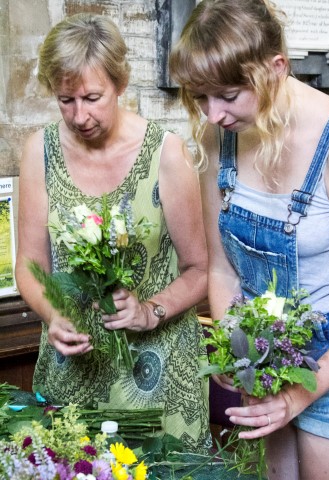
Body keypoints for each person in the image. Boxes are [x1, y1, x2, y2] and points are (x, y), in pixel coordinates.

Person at [15, 13, 211, 453]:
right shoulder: (39, 153)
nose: (79, 116)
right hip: (74, 372)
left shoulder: (167, 153)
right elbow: (29, 266)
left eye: (92, 97)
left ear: (120, 84)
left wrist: (150, 311)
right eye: (65, 101)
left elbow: (200, 269)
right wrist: (53, 316)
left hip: (160, 376)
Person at [169, 0, 329, 478]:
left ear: (275, 69)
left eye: (227, 95)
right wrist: (235, 347)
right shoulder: (216, 136)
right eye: (200, 98)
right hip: (261, 350)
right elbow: (223, 268)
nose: (213, 115)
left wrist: (300, 394)